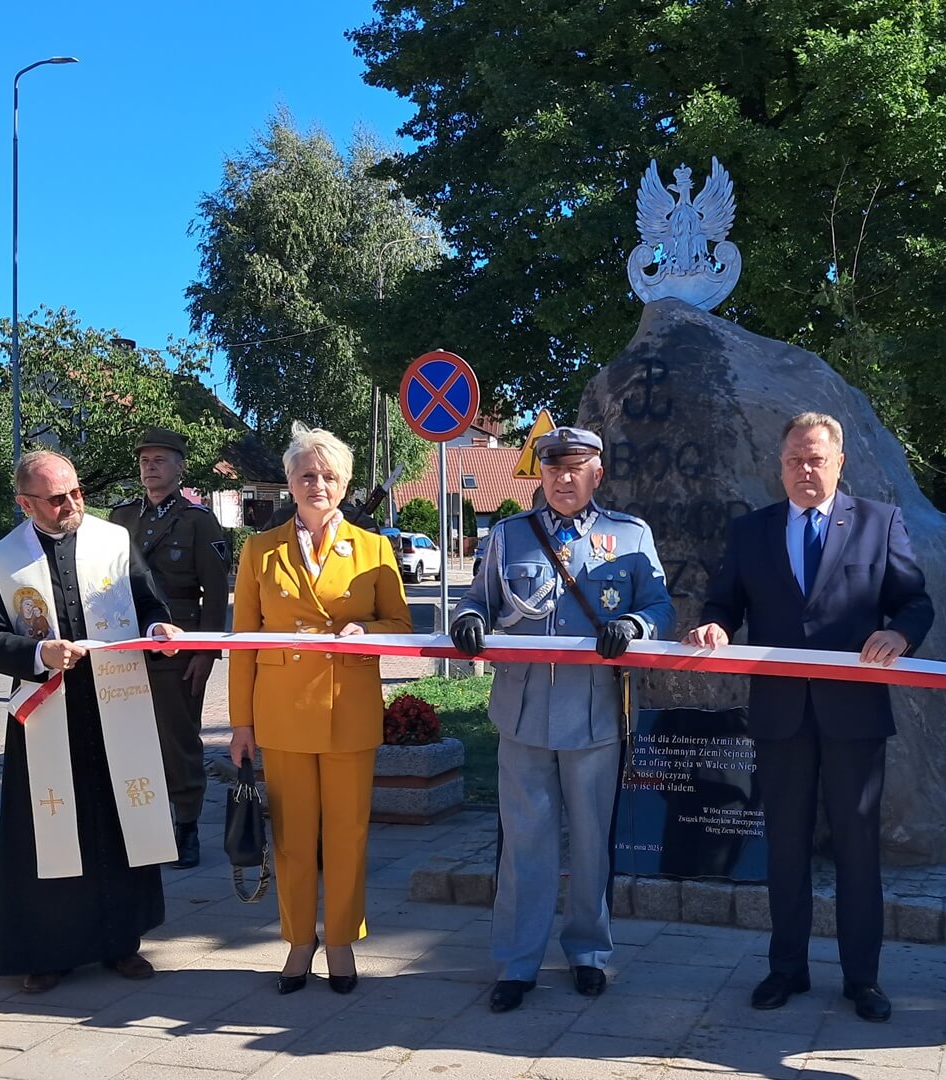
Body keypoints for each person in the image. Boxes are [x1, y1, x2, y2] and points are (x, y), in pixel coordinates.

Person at [684, 411, 933, 1025]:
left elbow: (915, 600)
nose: (804, 469)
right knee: (786, 849)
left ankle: (862, 979)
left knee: (856, 850)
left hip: (854, 716)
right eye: (793, 459)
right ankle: (786, 968)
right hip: (781, 714)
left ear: (839, 462)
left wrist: (899, 634)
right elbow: (723, 602)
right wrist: (714, 624)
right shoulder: (752, 532)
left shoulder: (878, 523)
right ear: (780, 465)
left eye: (815, 458)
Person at [450, 426, 673, 1014]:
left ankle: (589, 953)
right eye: (553, 468)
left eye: (576, 468)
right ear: (540, 473)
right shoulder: (507, 536)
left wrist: (635, 627)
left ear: (597, 473)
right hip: (522, 714)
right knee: (525, 843)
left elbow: (659, 605)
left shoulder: (627, 536)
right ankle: (519, 962)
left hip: (596, 712)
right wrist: (468, 618)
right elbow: (481, 597)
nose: (563, 478)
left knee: (592, 842)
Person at [0, 450, 184, 992]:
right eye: (58, 498)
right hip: (46, 709)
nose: (73, 505)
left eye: (77, 492)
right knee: (47, 830)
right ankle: (48, 951)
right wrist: (40, 653)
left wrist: (160, 632)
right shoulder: (4, 559)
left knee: (118, 822)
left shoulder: (112, 540)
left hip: (115, 703)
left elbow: (148, 603)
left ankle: (122, 942)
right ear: (25, 504)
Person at [228, 423, 412, 996]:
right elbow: (241, 643)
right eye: (306, 474)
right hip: (281, 714)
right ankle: (297, 941)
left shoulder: (376, 548)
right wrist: (240, 723)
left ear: (346, 482)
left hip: (348, 711)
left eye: (328, 475)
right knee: (291, 836)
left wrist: (368, 630)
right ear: (289, 481)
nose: (317, 484)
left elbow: (401, 626)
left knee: (347, 833)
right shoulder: (259, 549)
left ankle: (339, 941)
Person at [110, 427, 230, 868]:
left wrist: (206, 653)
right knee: (128, 738)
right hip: (124, 644)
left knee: (177, 739)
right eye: (144, 460)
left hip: (179, 647)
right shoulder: (121, 519)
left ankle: (186, 826)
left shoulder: (199, 522)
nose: (150, 467)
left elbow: (215, 595)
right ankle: (143, 823)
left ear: (180, 468)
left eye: (159, 460)